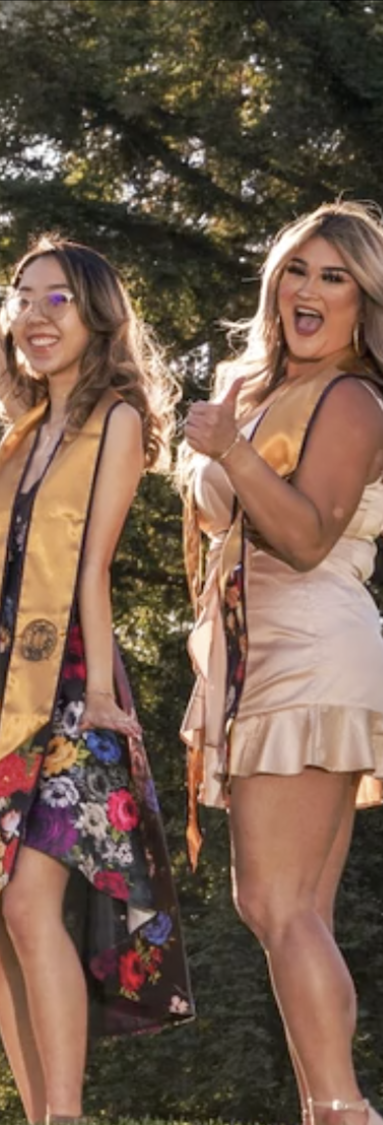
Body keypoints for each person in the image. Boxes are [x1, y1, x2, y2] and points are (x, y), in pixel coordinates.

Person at [0, 117, 193, 1125]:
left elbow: (89, 569)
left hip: (64, 683)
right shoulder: (21, 417)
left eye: (56, 299)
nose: (30, 315)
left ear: (97, 315)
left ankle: (61, 1116)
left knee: (27, 903)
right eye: (23, 301)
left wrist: (99, 692)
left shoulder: (116, 419)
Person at [180, 202, 383, 1125]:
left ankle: (343, 1110)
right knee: (291, 909)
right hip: (253, 646)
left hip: (309, 635)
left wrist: (228, 451)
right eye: (297, 269)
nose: (308, 289)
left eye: (334, 277)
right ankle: (326, 1107)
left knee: (273, 898)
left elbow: (305, 535)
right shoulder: (257, 390)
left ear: (362, 301)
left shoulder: (353, 398)